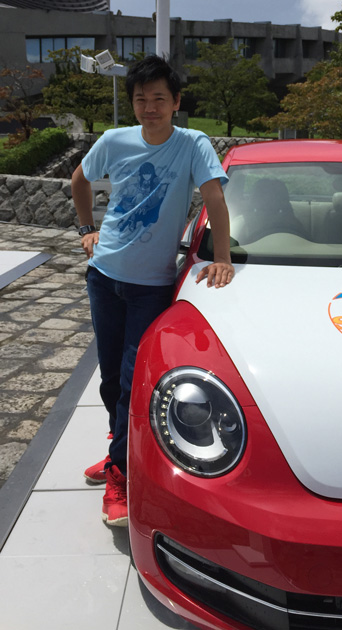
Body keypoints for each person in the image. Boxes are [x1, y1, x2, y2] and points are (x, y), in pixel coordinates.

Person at [71, 55, 234, 527]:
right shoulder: (114, 140)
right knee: (110, 379)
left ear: (176, 102)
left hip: (151, 287)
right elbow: (79, 179)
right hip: (104, 276)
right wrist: (86, 228)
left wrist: (222, 257)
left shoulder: (192, 144)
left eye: (159, 98)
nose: (150, 107)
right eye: (141, 99)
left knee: (131, 381)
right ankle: (118, 451)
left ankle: (120, 474)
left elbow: (214, 198)